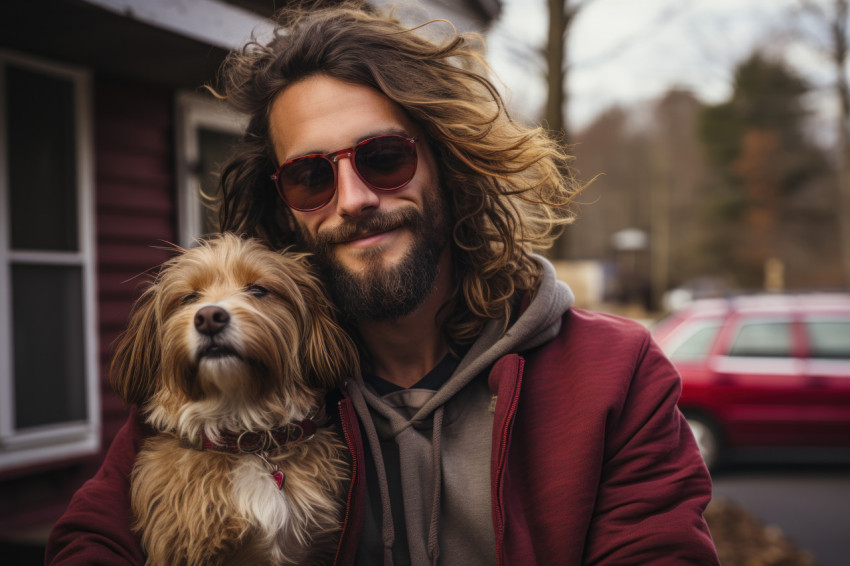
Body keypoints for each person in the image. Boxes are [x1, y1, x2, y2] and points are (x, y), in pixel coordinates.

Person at [47, 3, 719, 565]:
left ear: (448, 163)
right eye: (311, 176)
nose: (354, 197)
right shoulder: (236, 392)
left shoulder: (612, 375)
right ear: (284, 204)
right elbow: (91, 541)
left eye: (385, 158)